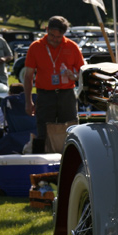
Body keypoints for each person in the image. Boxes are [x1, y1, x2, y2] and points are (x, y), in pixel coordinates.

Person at [24, 15, 85, 154]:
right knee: (43, 130)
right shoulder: (36, 47)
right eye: (52, 35)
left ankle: (71, 160)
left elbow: (83, 71)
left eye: (58, 37)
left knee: (71, 129)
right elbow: (28, 77)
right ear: (46, 30)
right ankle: (41, 164)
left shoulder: (71, 46)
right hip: (45, 94)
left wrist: (74, 76)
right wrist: (28, 101)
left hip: (67, 94)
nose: (55, 40)